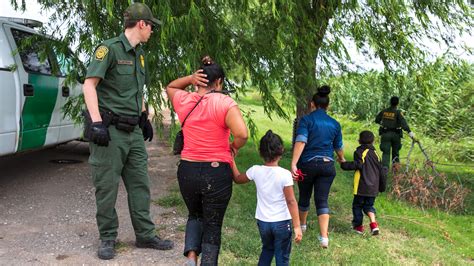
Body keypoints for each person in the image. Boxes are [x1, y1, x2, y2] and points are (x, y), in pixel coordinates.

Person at [82, 3, 173, 260]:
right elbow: (89, 86)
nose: (153, 30)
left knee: (140, 185)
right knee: (107, 187)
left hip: (132, 132)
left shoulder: (139, 54)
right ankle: (108, 237)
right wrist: (97, 123)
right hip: (109, 131)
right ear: (141, 24)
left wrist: (144, 115)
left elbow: (136, 89)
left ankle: (145, 235)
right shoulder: (108, 49)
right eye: (151, 26)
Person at [166, 56, 248, 265]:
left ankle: (191, 256)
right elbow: (242, 134)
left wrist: (191, 78)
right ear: (219, 82)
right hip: (216, 172)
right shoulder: (225, 103)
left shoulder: (184, 100)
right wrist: (233, 147)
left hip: (187, 170)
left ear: (199, 80)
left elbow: (171, 86)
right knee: (213, 224)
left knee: (194, 214)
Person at [232, 130, 303, 266]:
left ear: (260, 152)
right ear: (281, 151)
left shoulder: (255, 170)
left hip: (263, 223)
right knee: (282, 257)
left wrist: (231, 160)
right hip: (282, 223)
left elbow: (237, 178)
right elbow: (291, 201)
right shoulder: (285, 175)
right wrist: (297, 226)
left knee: (267, 250)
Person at [290, 85, 345, 248]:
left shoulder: (306, 120)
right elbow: (339, 146)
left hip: (307, 164)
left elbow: (301, 141)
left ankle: (303, 227)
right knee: (322, 200)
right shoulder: (335, 124)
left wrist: (293, 163)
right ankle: (324, 238)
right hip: (327, 165)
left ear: (312, 104)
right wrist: (341, 159)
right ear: (327, 106)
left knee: (305, 196)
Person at [340, 130, 387, 235]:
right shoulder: (376, 154)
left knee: (357, 206)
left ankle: (358, 227)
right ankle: (374, 225)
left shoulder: (360, 152)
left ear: (360, 140)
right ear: (373, 141)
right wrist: (382, 187)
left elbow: (358, 164)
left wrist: (344, 164)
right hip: (373, 188)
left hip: (362, 186)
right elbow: (382, 172)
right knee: (369, 206)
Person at [375, 96, 415, 169]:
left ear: (390, 102)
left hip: (385, 133)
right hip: (396, 135)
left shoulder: (384, 111)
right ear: (397, 103)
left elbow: (377, 120)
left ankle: (385, 168)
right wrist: (409, 132)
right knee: (396, 153)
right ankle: (395, 169)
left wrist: (384, 123)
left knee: (386, 152)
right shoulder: (398, 112)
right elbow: (403, 123)